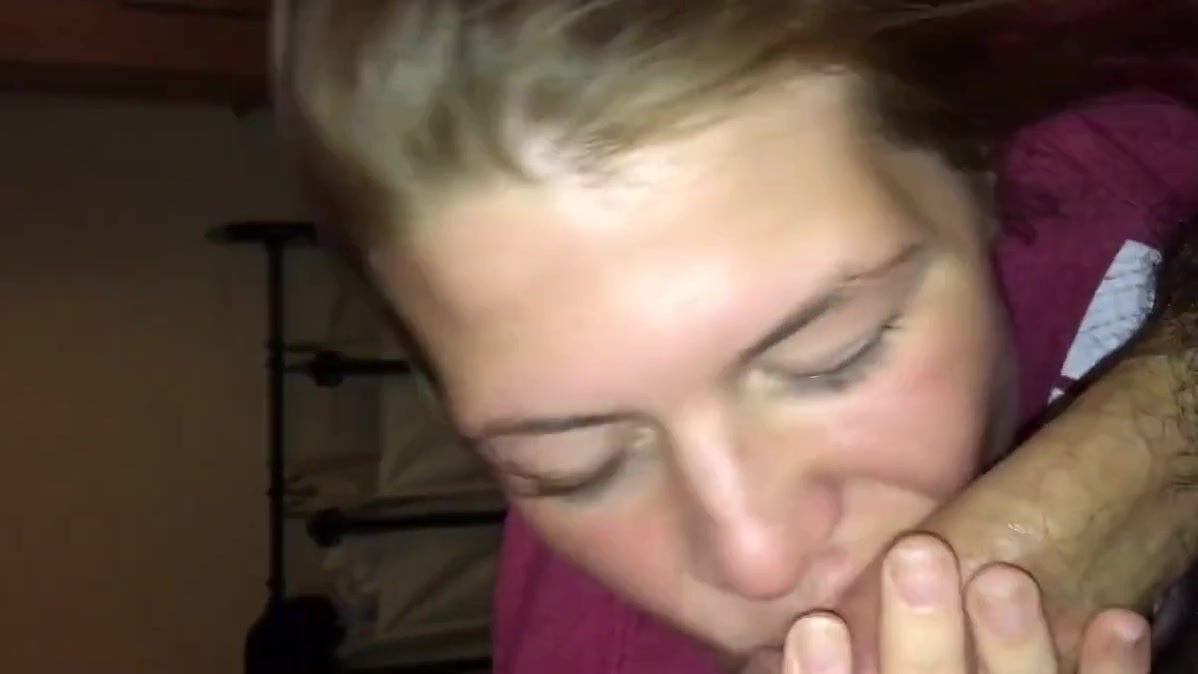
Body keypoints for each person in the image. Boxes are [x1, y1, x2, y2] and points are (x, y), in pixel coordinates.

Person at [273, 0, 1198, 672]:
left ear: (978, 176)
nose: (758, 558)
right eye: (577, 467)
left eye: (833, 356)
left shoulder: (1111, 99)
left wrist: (1140, 460)